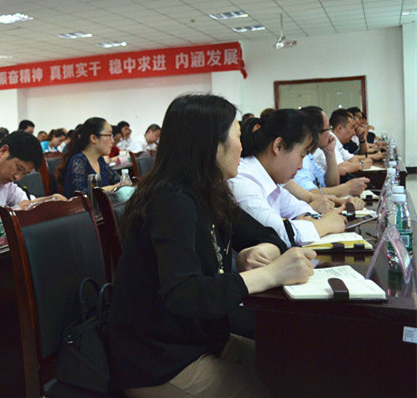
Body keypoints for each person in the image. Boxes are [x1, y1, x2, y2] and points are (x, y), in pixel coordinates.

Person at [109, 93, 317, 397]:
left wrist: (259, 253)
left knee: (293, 368)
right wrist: (269, 274)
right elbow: (183, 293)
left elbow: (267, 236)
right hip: (160, 360)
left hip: (201, 339)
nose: (243, 146)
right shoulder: (171, 201)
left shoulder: (210, 193)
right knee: (275, 386)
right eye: (237, 136)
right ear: (212, 144)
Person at [229, 110, 346, 247]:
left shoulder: (271, 181)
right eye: (301, 156)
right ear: (278, 146)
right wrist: (325, 224)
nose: (301, 166)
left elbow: (300, 209)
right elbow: (279, 234)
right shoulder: (242, 179)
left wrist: (307, 221)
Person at [288, 106, 368, 207]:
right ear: (315, 133)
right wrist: (347, 188)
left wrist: (329, 152)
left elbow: (331, 184)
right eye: (328, 129)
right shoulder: (300, 158)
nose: (330, 133)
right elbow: (308, 193)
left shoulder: (310, 156)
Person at [57, 117, 121, 198]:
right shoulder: (78, 161)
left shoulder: (100, 160)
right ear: (93, 138)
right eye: (109, 135)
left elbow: (118, 180)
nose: (112, 141)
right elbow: (80, 194)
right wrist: (111, 188)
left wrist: (121, 184)